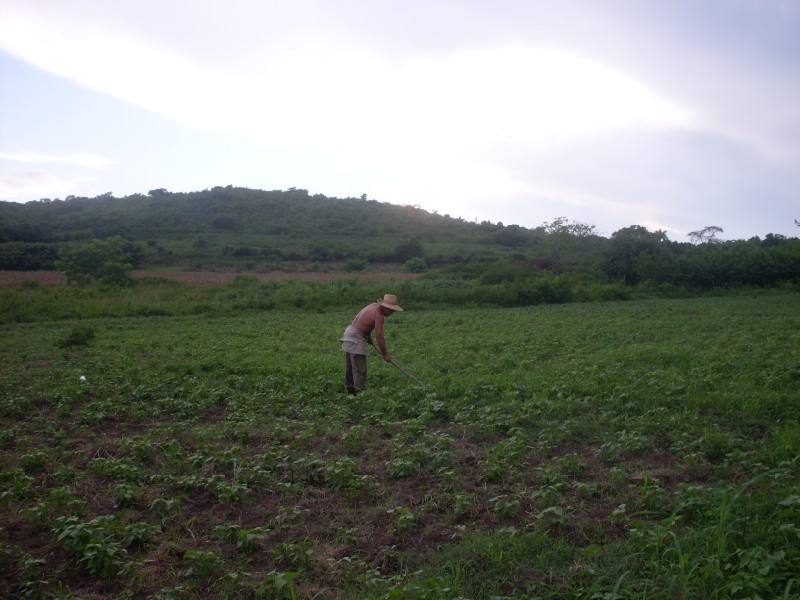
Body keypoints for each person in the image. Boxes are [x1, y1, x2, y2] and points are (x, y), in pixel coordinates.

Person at [339, 294, 403, 394]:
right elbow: (379, 336)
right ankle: (360, 394)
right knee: (360, 369)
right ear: (386, 308)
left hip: (349, 334)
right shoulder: (379, 315)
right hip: (355, 339)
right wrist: (385, 354)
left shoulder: (373, 306)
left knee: (351, 367)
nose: (392, 313)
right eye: (391, 310)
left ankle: (350, 391)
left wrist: (367, 335)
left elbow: (364, 322)